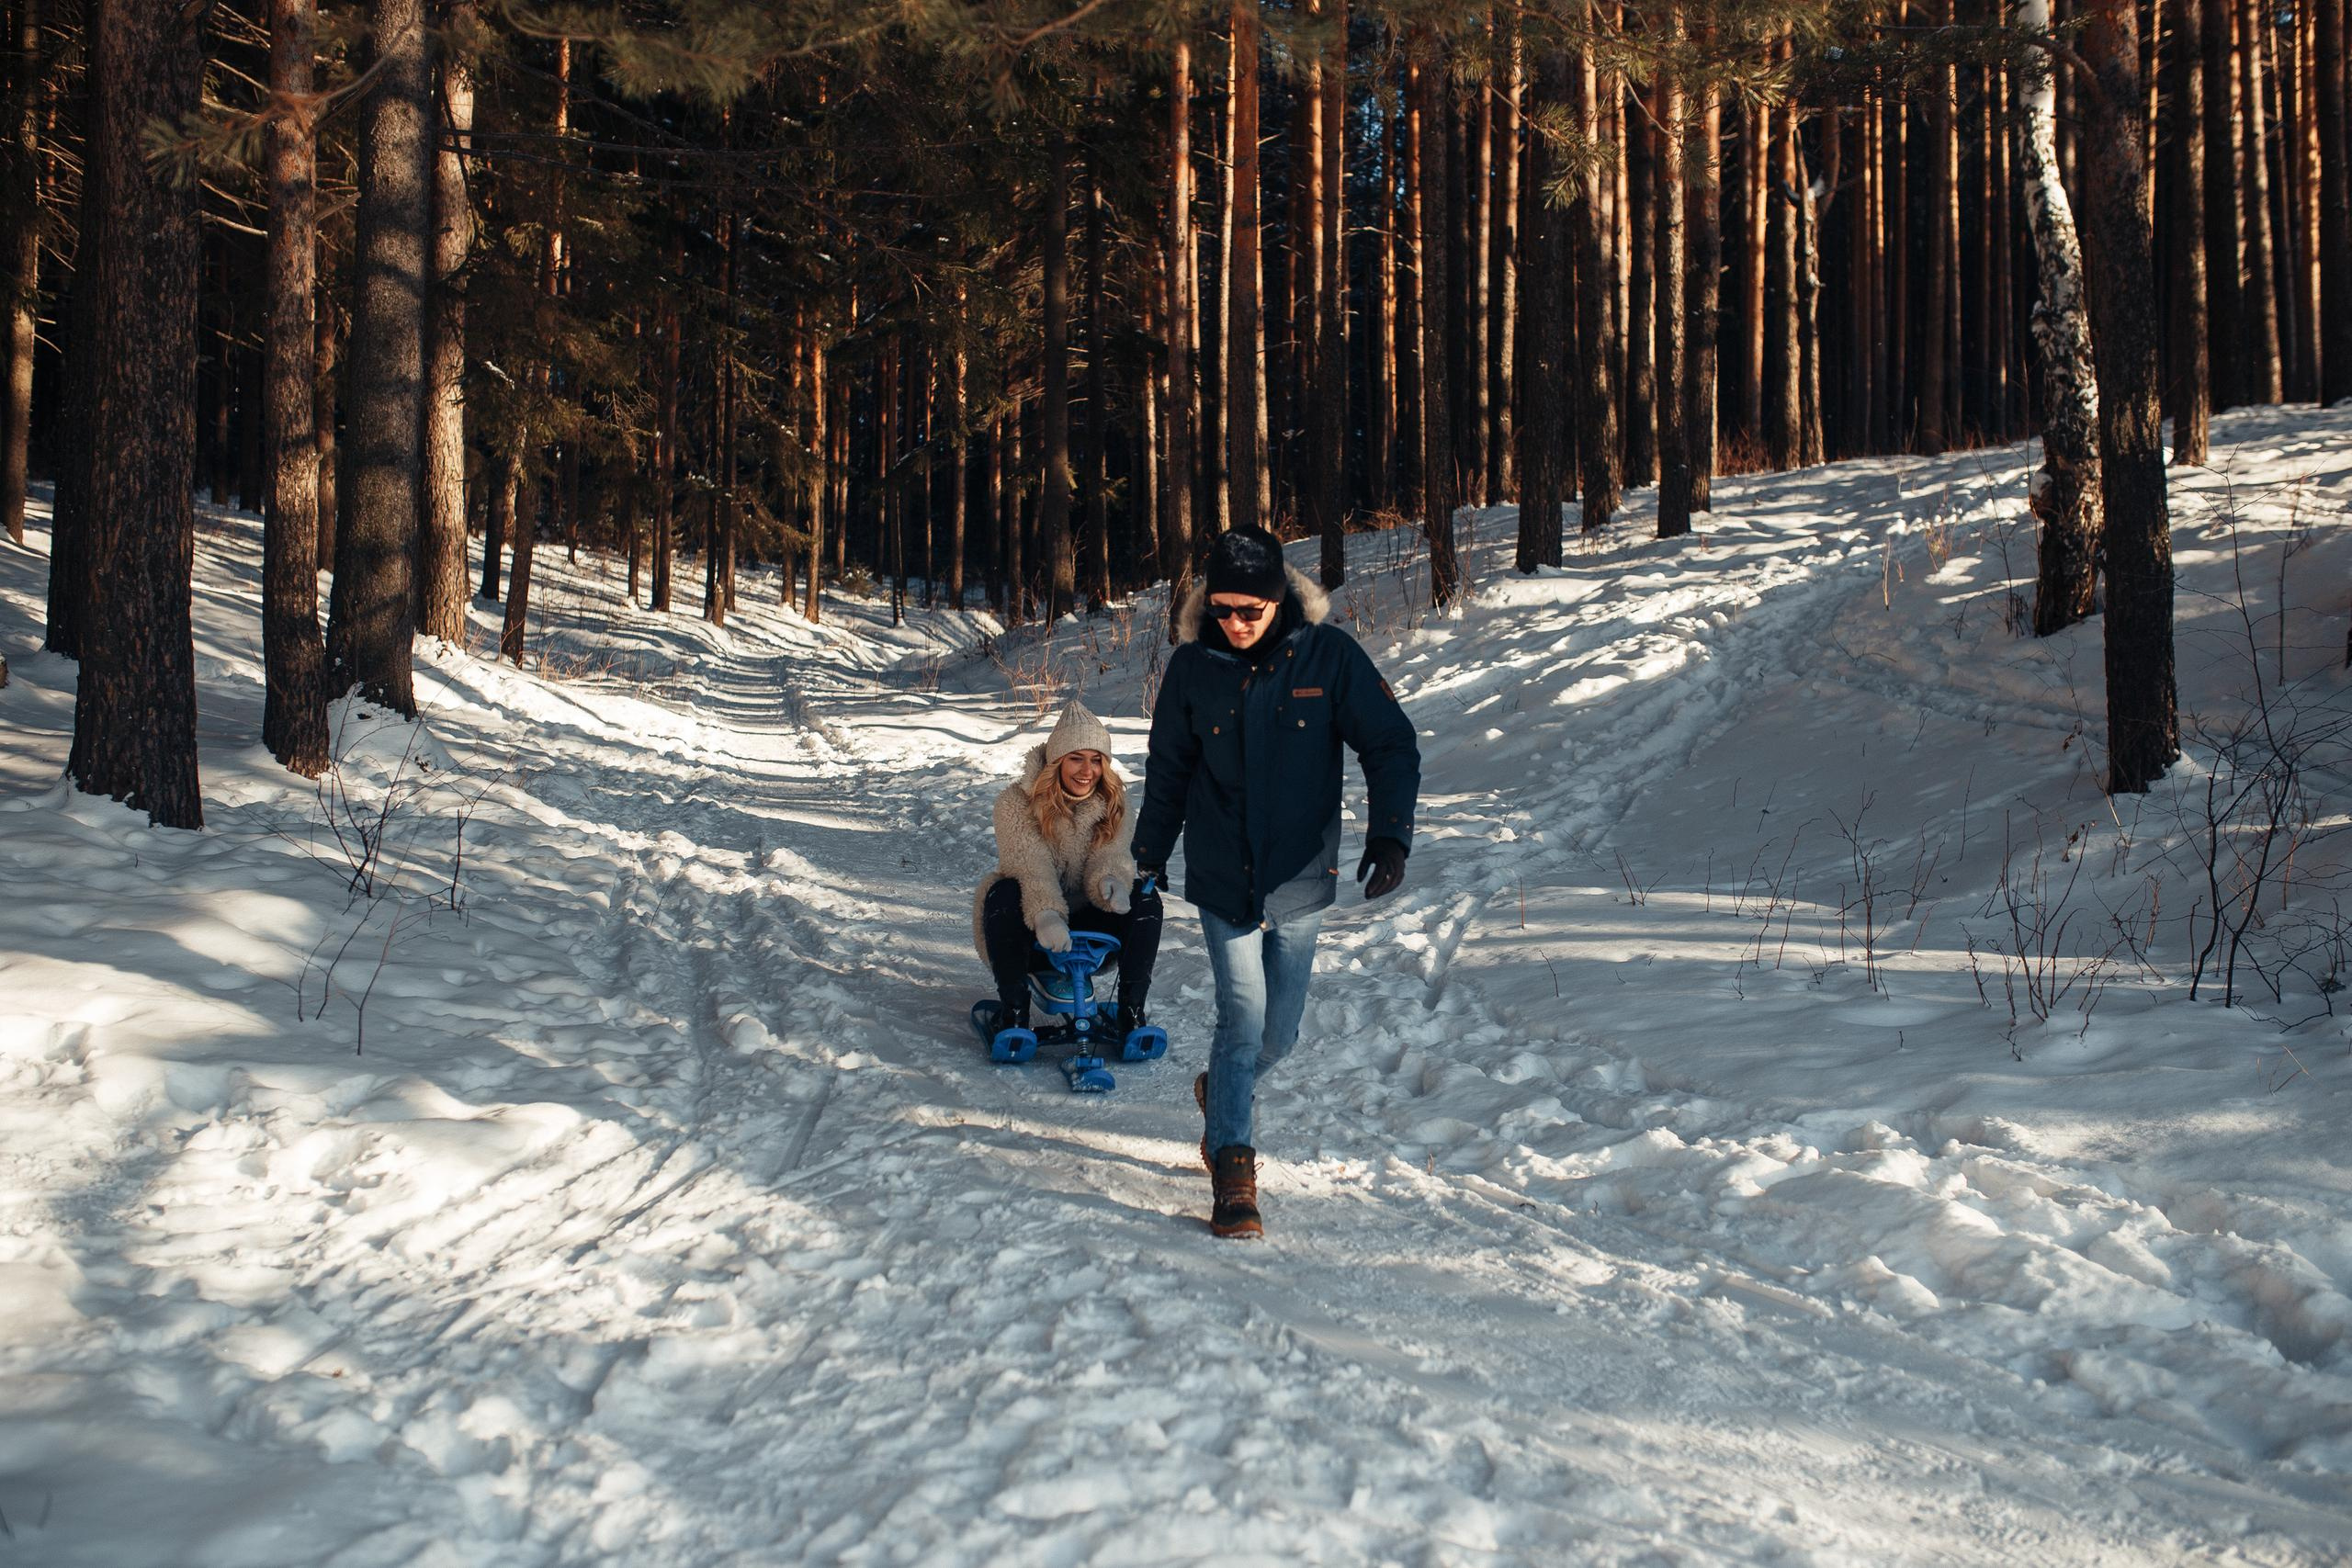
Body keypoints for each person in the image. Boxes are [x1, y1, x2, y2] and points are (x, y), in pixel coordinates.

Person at [1133, 526, 1419, 1239]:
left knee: (1279, 1033)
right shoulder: (1193, 668)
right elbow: (1168, 769)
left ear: (1277, 599)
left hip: (1298, 871)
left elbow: (1390, 742)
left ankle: (1220, 1095)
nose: (1233, 623)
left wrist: (1390, 833)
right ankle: (1233, 1173)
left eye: (1248, 611)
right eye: (1222, 608)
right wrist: (1149, 851)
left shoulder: (1327, 656)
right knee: (1240, 1019)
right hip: (1222, 871)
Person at [973, 702, 1161, 1043]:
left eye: (1096, 760)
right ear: (1056, 762)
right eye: (1076, 758)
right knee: (1001, 891)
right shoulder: (1015, 803)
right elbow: (1028, 864)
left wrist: (1111, 882)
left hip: (1090, 918)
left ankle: (1132, 1012)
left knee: (1146, 897)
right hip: (1031, 922)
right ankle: (1013, 1014)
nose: (1087, 770)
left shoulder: (1114, 802)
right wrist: (1045, 914)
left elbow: (1112, 854)